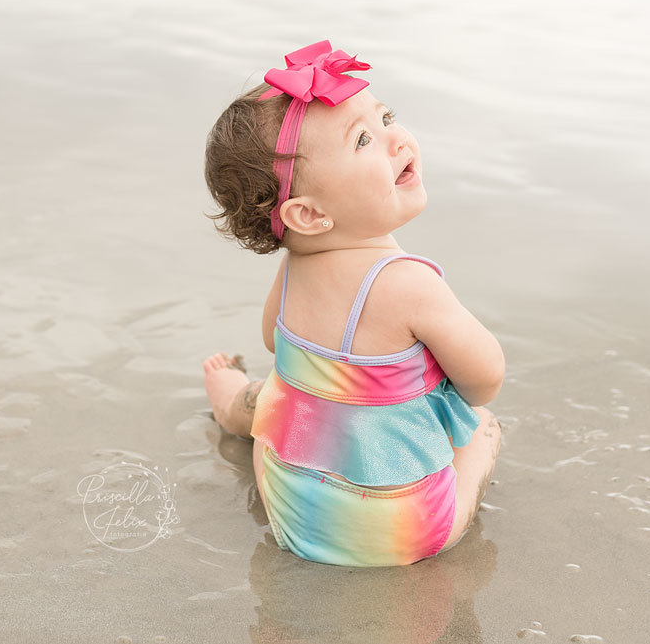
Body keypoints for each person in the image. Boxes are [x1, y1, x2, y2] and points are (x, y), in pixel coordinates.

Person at [200, 40, 503, 567]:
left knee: (278, 393)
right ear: (309, 214)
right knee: (485, 427)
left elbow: (274, 339)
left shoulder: (295, 265)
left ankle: (228, 400)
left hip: (292, 511)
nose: (396, 140)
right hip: (397, 535)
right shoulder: (409, 283)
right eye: (365, 138)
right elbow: (485, 378)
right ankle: (465, 480)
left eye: (386, 117)